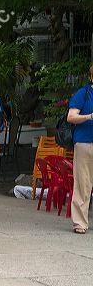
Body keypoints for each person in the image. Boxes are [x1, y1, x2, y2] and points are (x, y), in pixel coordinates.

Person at [67, 64, 93, 234]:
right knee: (83, 183)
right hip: (85, 143)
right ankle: (80, 223)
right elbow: (71, 117)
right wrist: (90, 116)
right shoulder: (84, 93)